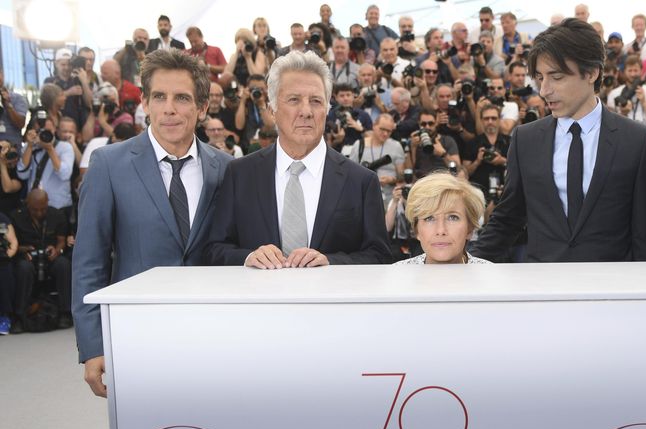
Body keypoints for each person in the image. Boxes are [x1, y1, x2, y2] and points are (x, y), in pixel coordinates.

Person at [73, 50, 232, 398]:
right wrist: (93, 344)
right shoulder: (109, 165)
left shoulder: (227, 168)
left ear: (202, 107)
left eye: (182, 98)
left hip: (215, 338)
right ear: (144, 102)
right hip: (135, 338)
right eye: (159, 96)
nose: (169, 108)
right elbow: (88, 261)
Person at [471, 18, 646, 263]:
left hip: (612, 290)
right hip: (543, 289)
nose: (544, 90)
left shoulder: (638, 140)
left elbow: (645, 229)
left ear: (591, 72)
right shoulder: (525, 139)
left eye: (556, 77)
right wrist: (467, 268)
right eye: (539, 77)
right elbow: (508, 218)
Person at [204, 50, 391, 269]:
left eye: (316, 101)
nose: (306, 111)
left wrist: (331, 262)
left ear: (327, 109)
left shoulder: (361, 181)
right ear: (272, 109)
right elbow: (214, 250)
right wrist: (248, 258)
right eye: (294, 100)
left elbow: (379, 257)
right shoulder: (240, 174)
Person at [394, 172, 489, 265]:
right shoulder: (395, 275)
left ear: (469, 229)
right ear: (416, 230)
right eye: (429, 218)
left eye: (452, 217)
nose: (440, 230)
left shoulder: (492, 275)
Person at [10, 189, 71, 331]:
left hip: (50, 257)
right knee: (23, 268)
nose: (39, 213)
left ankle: (65, 313)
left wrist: (57, 249)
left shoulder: (57, 215)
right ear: (27, 204)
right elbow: (12, 243)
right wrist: (22, 250)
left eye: (42, 209)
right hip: (27, 257)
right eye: (34, 210)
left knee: (63, 265)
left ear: (47, 203)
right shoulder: (16, 217)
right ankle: (18, 316)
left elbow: (61, 241)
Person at [346, 113, 403, 207]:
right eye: (382, 129)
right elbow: (350, 174)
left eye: (389, 131)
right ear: (374, 126)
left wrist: (392, 179)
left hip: (389, 199)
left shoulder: (396, 146)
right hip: (364, 197)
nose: (385, 134)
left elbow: (402, 175)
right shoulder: (360, 145)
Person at [0, 210, 17, 334]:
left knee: (5, 268)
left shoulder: (2, 218)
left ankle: (4, 316)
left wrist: (6, 256)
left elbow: (13, 242)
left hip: (1, 258)